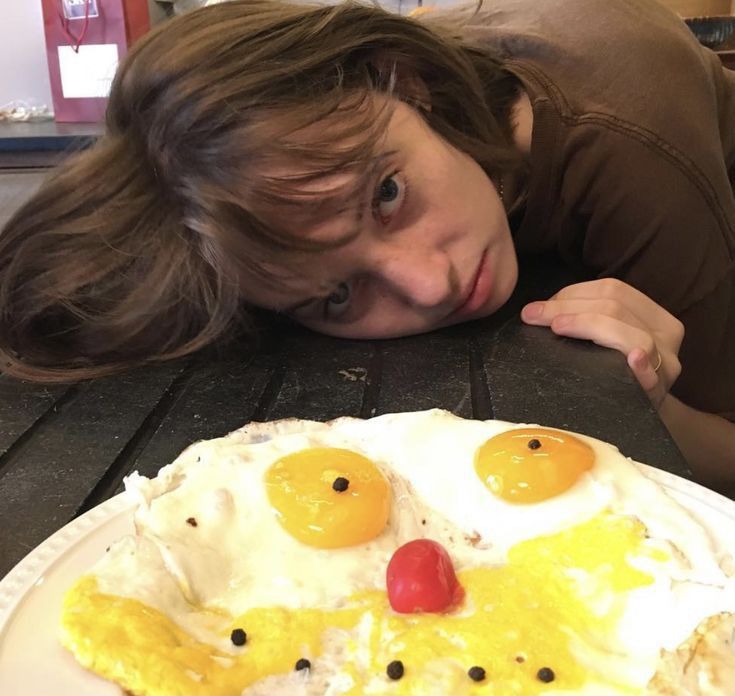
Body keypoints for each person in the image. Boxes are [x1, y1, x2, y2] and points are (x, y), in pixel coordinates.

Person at [0, 0, 733, 488]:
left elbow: (725, 453)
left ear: (407, 85)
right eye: (338, 294)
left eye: (386, 194)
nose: (429, 284)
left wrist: (655, 405)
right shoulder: (363, 115)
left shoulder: (620, 145)